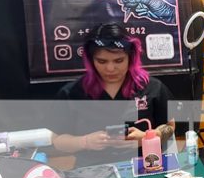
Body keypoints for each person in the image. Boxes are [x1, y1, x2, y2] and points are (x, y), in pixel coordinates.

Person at [53, 23, 175, 166]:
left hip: (144, 165)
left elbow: (170, 126)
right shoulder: (72, 93)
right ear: (91, 60)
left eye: (118, 60)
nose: (110, 68)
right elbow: (57, 141)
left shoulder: (152, 87)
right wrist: (84, 142)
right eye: (102, 61)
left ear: (131, 57)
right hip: (92, 171)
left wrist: (147, 137)